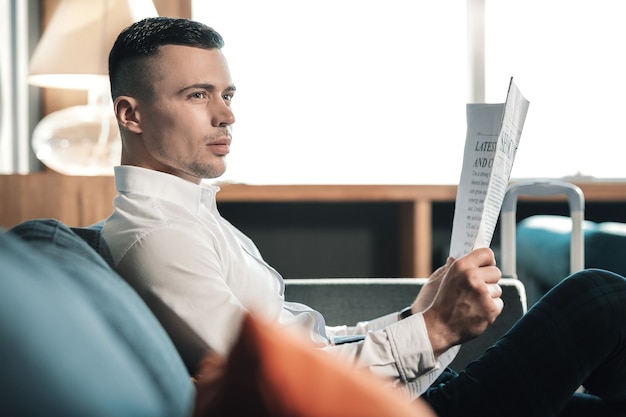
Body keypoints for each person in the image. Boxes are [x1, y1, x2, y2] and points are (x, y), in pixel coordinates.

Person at [103, 16, 626, 416]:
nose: (227, 114)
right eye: (198, 95)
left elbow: (309, 344)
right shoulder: (158, 237)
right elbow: (279, 379)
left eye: (227, 94)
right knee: (597, 295)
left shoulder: (191, 215)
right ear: (131, 114)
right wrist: (435, 330)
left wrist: (415, 317)